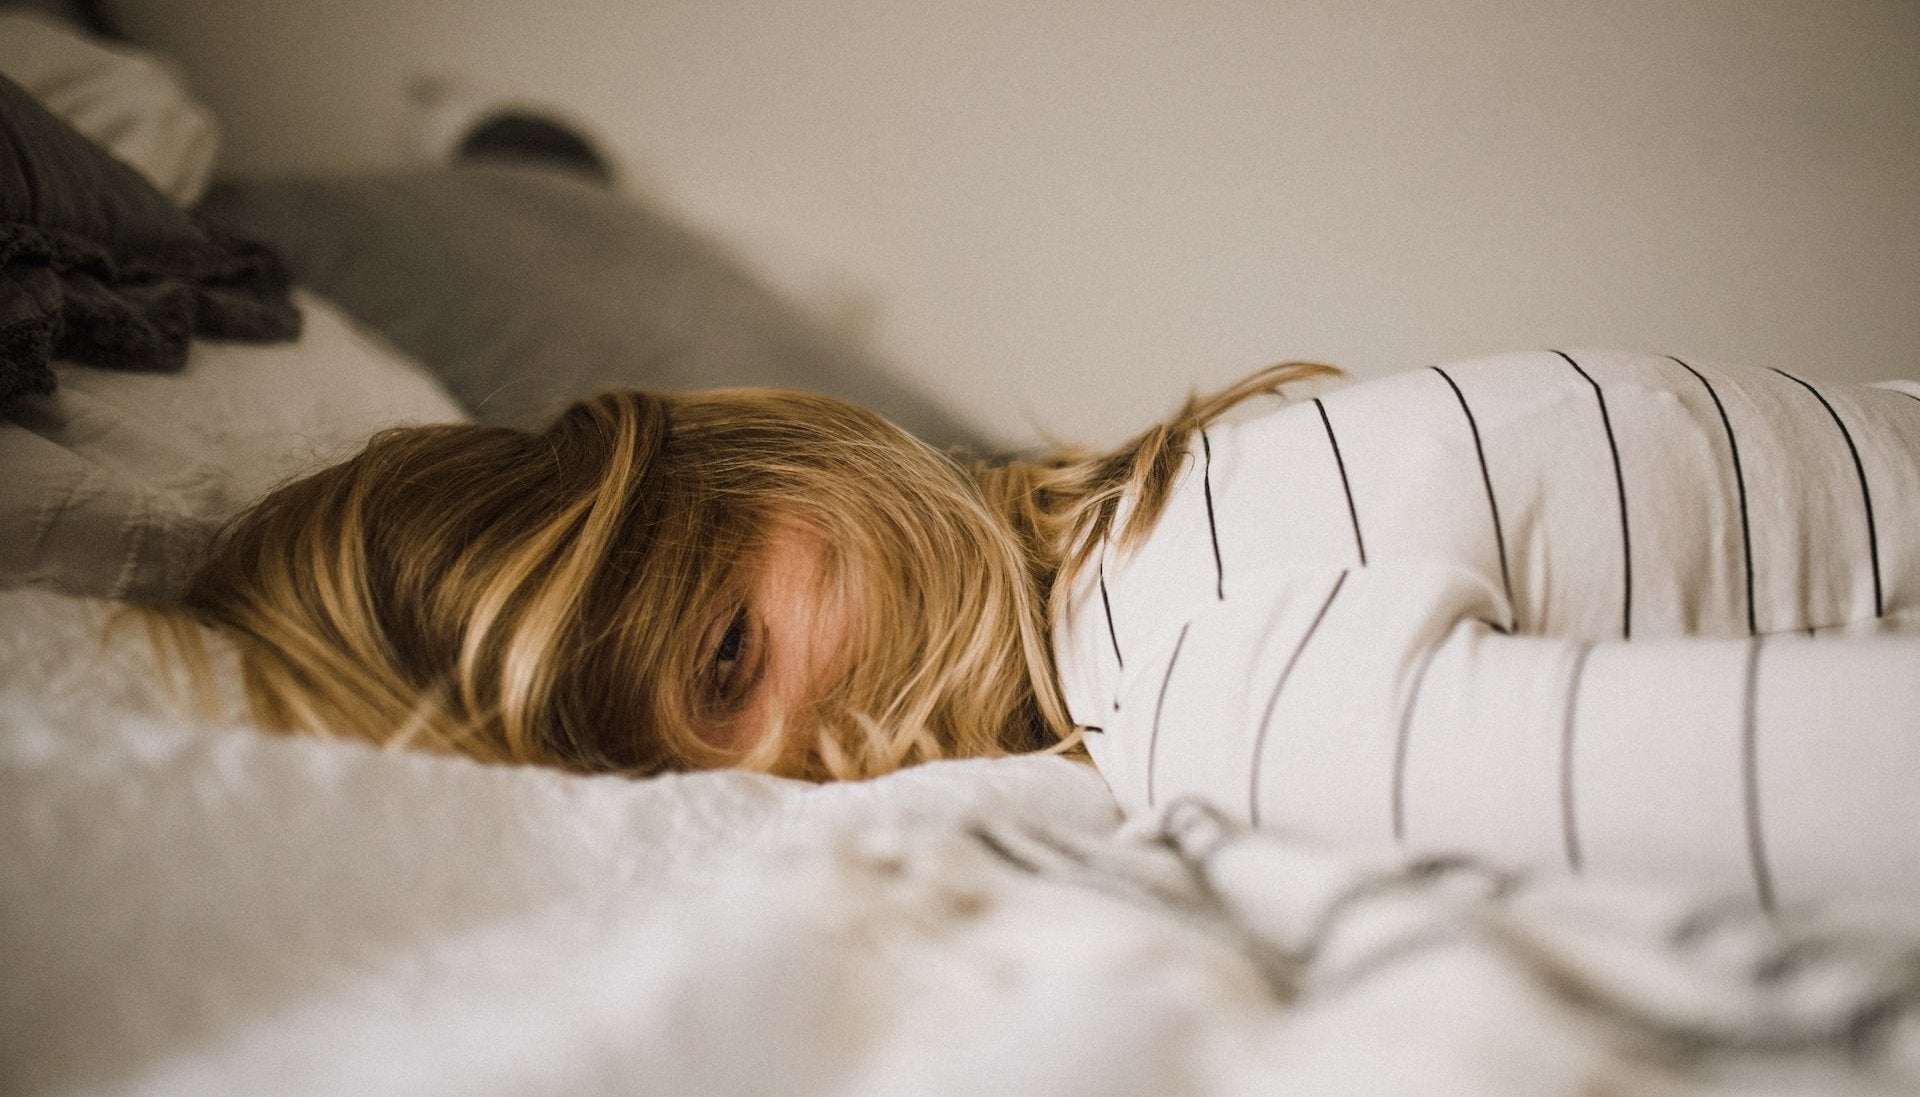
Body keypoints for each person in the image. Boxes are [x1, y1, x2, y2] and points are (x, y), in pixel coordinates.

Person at [152, 352, 1920, 898]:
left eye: (721, 660)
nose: (787, 777)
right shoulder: (1174, 519)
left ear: (788, 453)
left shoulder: (1215, 681)